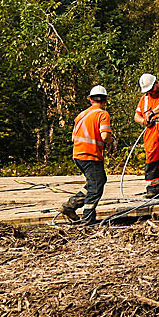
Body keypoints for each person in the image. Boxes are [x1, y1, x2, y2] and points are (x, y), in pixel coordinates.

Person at [61, 85, 114, 224]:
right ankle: (87, 219)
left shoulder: (81, 115)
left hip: (78, 154)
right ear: (105, 100)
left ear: (90, 99)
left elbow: (73, 137)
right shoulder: (103, 114)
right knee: (96, 186)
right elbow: (104, 136)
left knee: (96, 182)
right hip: (90, 155)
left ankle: (71, 205)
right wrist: (111, 141)